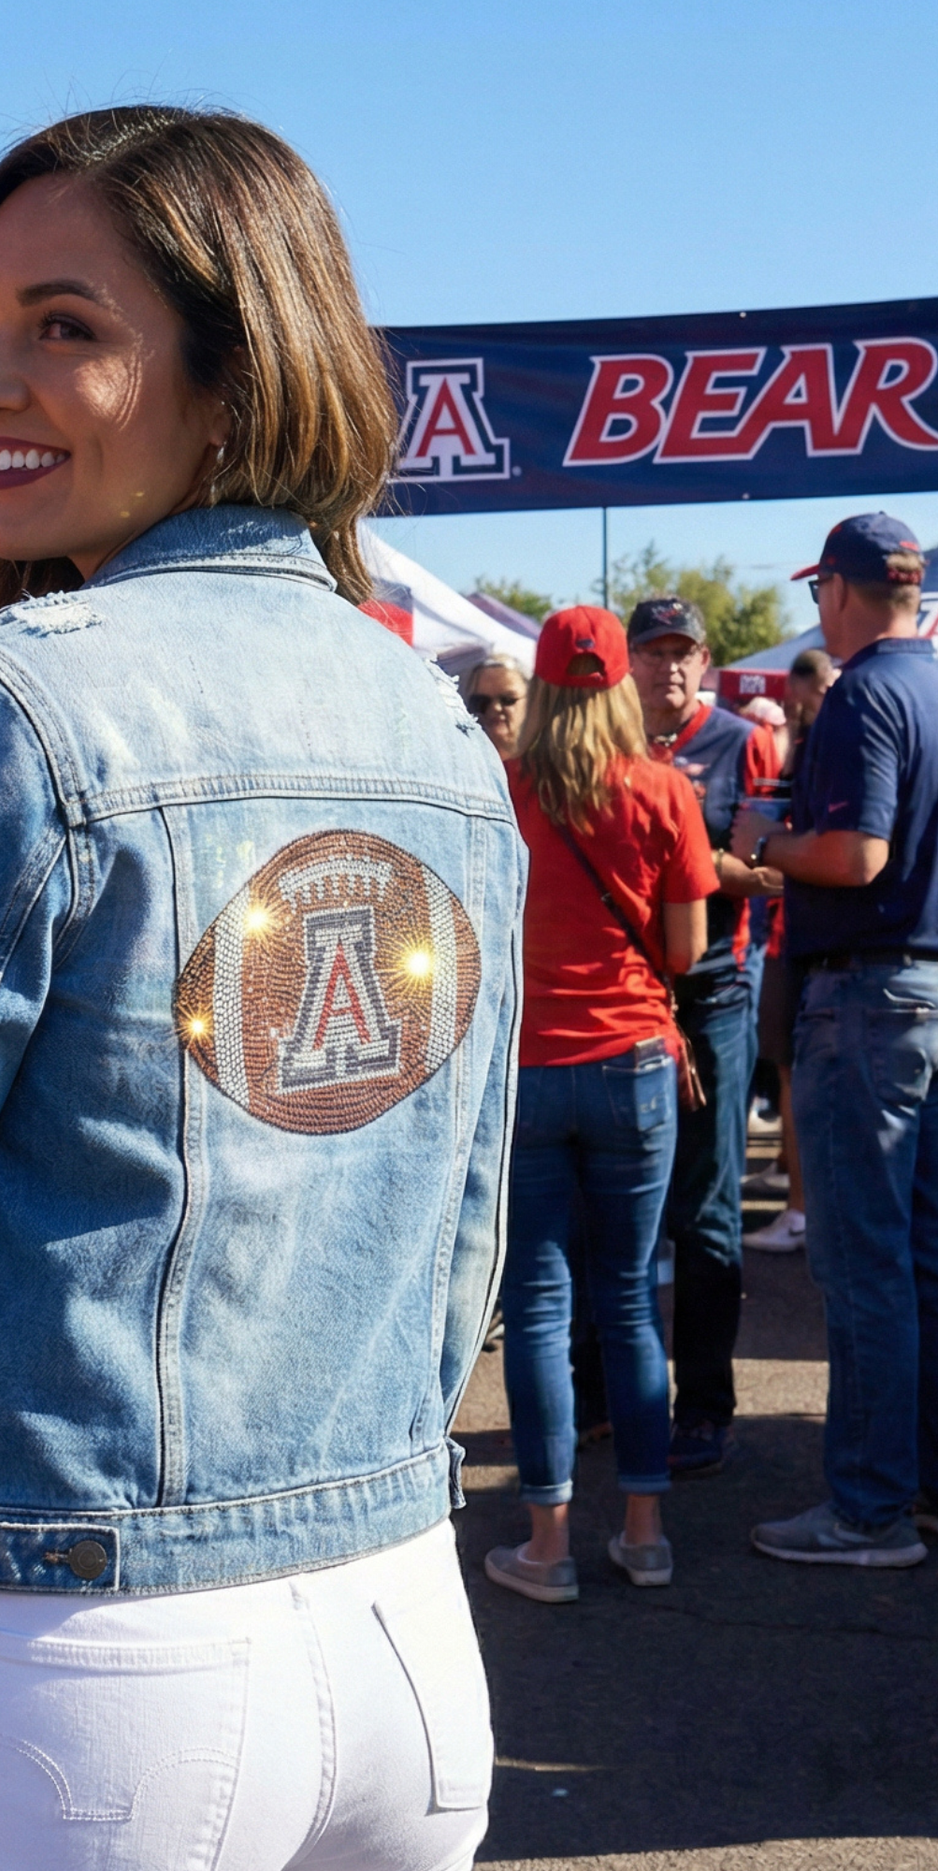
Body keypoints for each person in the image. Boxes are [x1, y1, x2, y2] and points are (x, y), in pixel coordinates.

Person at [0, 105, 522, 1871]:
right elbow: (462, 1223)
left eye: (66, 326)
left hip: (54, 1655)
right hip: (395, 1641)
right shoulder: (441, 729)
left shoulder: (5, 703)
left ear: (237, 380)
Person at [485, 607, 712, 1604]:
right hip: (630, 1060)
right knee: (625, 1298)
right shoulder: (664, 788)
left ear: (537, 687)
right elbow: (684, 952)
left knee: (535, 1306)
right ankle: (643, 1531)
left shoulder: (501, 788)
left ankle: (546, 1544)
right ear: (621, 683)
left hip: (528, 1065)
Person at [731, 513, 938, 1567]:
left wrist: (762, 839)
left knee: (863, 1268)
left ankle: (865, 1507)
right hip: (919, 991)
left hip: (869, 994)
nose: (816, 607)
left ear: (845, 591)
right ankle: (910, 1484)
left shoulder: (865, 688)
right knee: (917, 1258)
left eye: (821, 590)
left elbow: (854, 855)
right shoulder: (929, 681)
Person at [627, 595, 781, 1475]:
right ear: (630, 662)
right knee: (616, 1211)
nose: (668, 667)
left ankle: (706, 1406)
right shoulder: (605, 740)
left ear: (706, 660)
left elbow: (768, 869)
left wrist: (687, 845)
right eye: (652, 652)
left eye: (682, 652)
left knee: (706, 1208)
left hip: (714, 992)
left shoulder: (736, 740)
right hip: (630, 994)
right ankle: (610, 1398)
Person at [743, 648, 837, 1253]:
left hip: (799, 940)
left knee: (795, 1078)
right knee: (792, 1077)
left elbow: (844, 854)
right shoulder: (815, 746)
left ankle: (801, 1209)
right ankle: (799, 1195)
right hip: (801, 939)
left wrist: (766, 844)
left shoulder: (821, 749)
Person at [462, 653, 529, 760]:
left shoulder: (551, 764)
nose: (495, 708)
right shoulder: (461, 761)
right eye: (481, 701)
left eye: (508, 699)